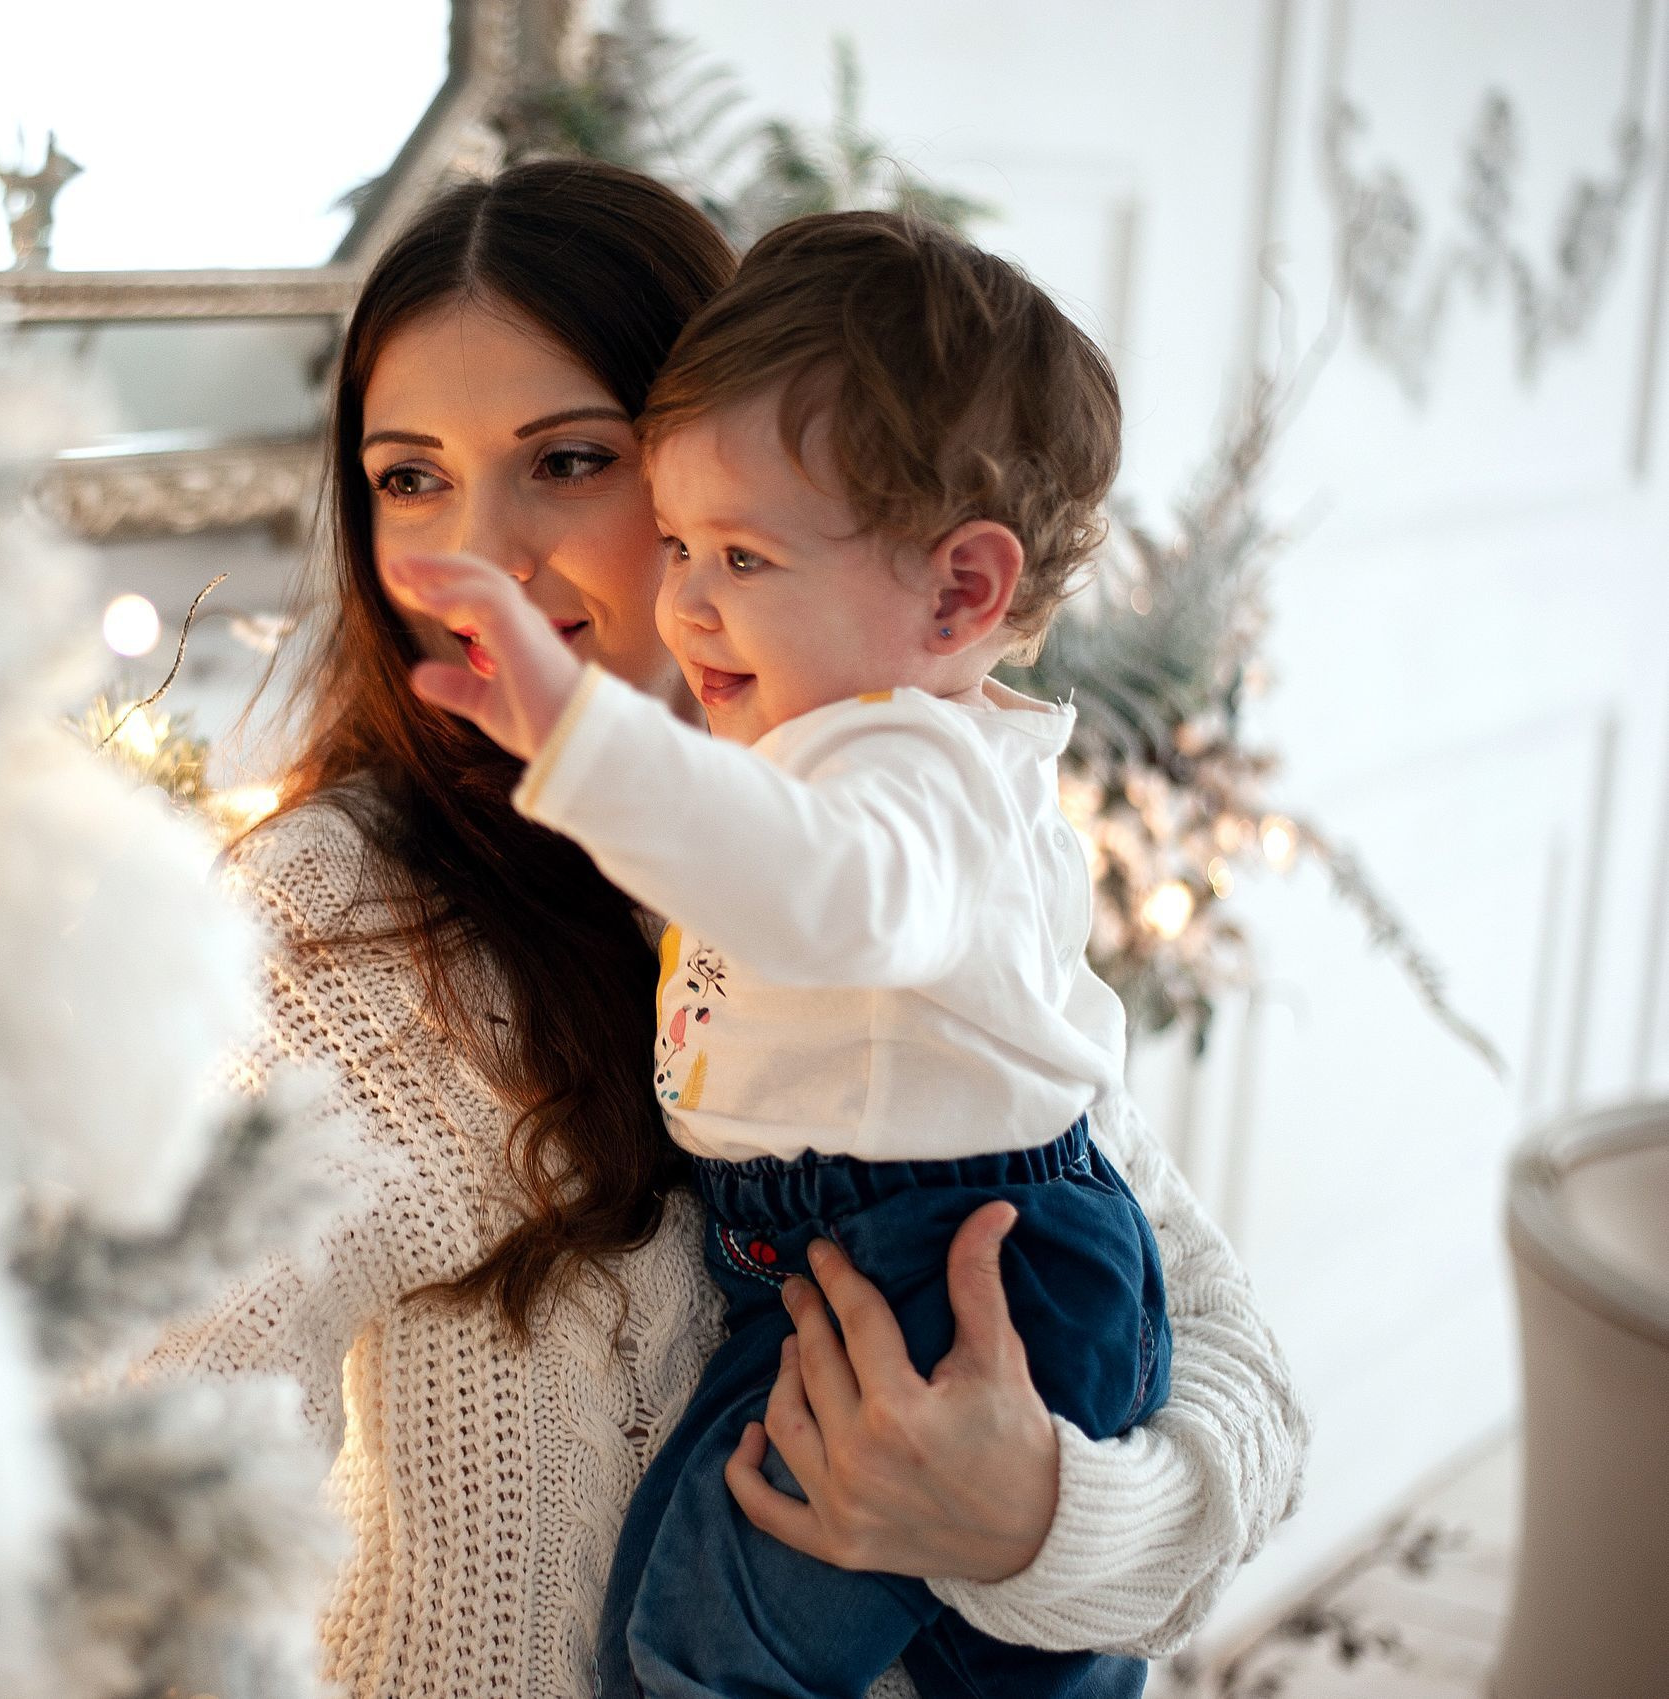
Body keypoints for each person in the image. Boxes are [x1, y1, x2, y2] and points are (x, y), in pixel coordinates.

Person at [149, 158, 1305, 1699]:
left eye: (571, 460)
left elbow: (1229, 1364)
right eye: (408, 478)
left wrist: (1036, 1519)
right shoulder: (332, 924)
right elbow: (157, 1483)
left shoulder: (897, 818)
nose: (477, 557)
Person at [381, 208, 1167, 1699]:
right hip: (829, 1257)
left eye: (740, 555)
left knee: (698, 1659)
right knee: (759, 1646)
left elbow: (826, 891)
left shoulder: (908, 769)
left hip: (947, 1260)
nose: (684, 600)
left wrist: (579, 740)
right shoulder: (830, 740)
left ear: (960, 592)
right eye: (678, 542)